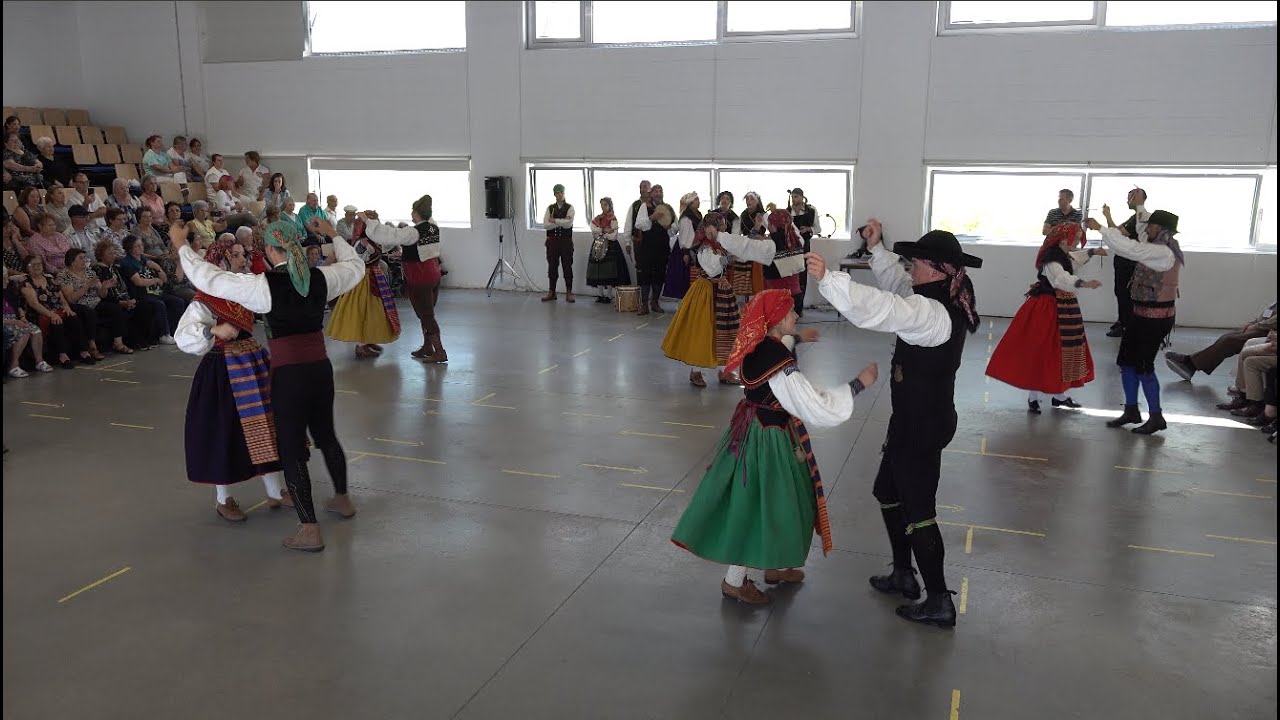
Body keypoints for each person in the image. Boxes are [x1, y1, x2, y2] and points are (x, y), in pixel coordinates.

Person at [811, 223, 982, 628]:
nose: (910, 269)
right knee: (887, 491)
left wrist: (829, 281)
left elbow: (884, 308)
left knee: (919, 511)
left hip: (924, 424)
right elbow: (895, 287)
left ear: (938, 269)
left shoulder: (933, 311)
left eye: (917, 263)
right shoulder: (932, 297)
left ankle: (939, 599)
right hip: (912, 418)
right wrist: (876, 248)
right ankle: (904, 574)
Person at [175, 217, 363, 552]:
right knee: (326, 435)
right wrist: (334, 235)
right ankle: (341, 499)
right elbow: (354, 265)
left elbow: (210, 278)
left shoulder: (262, 287)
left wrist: (182, 247)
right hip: (320, 368)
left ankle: (309, 529)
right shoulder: (321, 278)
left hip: (289, 374)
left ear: (269, 249)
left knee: (290, 449)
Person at [671, 289, 870, 604]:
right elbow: (811, 403)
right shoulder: (779, 363)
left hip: (753, 429)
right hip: (771, 439)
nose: (796, 316)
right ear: (776, 320)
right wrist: (858, 385)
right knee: (765, 505)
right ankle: (734, 581)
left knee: (780, 501)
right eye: (791, 313)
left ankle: (777, 565)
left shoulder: (756, 346)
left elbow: (778, 349)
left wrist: (797, 338)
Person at [174, 235, 292, 521]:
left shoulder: (247, 288)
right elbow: (183, 336)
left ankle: (275, 491)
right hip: (222, 369)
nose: (243, 259)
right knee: (223, 430)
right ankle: (223, 498)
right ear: (223, 261)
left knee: (265, 423)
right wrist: (213, 330)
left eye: (243, 254)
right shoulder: (205, 299)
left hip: (252, 361)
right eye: (237, 255)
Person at [986, 223, 1107, 412]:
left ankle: (1059, 396)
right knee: (1041, 350)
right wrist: (1083, 283)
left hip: (1064, 306)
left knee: (1063, 351)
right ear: (1062, 239)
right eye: (1074, 239)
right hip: (1048, 308)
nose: (1076, 242)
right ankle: (1033, 397)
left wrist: (1092, 252)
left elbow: (1074, 261)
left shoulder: (1063, 254)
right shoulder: (1051, 260)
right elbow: (1060, 278)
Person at [1089, 207, 1184, 435]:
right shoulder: (1158, 246)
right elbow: (1131, 245)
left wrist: (1101, 228)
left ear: (1161, 229)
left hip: (1155, 319)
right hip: (1140, 314)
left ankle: (1156, 416)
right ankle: (1131, 409)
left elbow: (1131, 249)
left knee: (1143, 367)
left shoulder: (1164, 252)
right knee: (1126, 363)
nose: (1147, 228)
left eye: (1151, 225)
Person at [661, 212, 776, 387]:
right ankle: (696, 371)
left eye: (723, 225)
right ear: (709, 228)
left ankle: (725, 371)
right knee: (704, 331)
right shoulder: (704, 248)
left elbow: (741, 245)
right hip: (706, 292)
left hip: (721, 290)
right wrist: (730, 257)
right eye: (720, 225)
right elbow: (712, 267)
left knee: (726, 332)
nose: (724, 228)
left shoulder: (720, 243)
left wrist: (755, 228)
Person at [360, 195, 446, 362]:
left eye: (413, 211)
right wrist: (376, 220)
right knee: (427, 314)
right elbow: (395, 235)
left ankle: (440, 351)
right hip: (434, 274)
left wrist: (369, 221)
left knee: (426, 315)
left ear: (417, 213)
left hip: (420, 277)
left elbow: (392, 236)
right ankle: (428, 346)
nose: (411, 214)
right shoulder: (434, 227)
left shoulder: (413, 232)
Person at [326, 215, 400, 359]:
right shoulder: (362, 243)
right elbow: (364, 257)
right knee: (362, 311)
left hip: (373, 277)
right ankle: (361, 345)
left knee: (373, 312)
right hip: (363, 280)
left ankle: (368, 340)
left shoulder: (371, 241)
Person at [1164, 301, 1276, 382]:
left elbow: (1273, 321)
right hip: (1262, 328)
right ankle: (1190, 363)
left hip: (1269, 331)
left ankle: (1190, 363)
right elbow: (1268, 314)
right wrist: (1253, 322)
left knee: (1229, 340)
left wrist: (1257, 325)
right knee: (1227, 336)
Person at [1105, 188, 1149, 338]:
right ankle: (1122, 321)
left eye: (1131, 196)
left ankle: (1126, 325)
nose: (1128, 199)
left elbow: (1117, 234)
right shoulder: (1134, 217)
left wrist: (1107, 215)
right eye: (1128, 196)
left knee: (1125, 293)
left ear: (1140, 198)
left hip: (1130, 262)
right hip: (1124, 260)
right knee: (1121, 292)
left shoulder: (1141, 217)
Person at [632, 185, 674, 315]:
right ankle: (644, 305)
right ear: (651, 194)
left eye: (660, 191)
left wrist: (669, 226)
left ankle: (655, 302)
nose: (658, 193)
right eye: (656, 191)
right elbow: (639, 224)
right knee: (645, 275)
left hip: (662, 246)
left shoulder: (668, 208)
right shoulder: (645, 206)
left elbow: (675, 226)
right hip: (647, 247)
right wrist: (652, 217)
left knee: (659, 275)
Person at [586, 197, 629, 303]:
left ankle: (609, 295)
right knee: (598, 271)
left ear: (609, 205)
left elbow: (613, 236)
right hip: (598, 245)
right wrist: (605, 230)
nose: (603, 207)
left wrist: (601, 233)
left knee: (609, 271)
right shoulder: (598, 218)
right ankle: (600, 295)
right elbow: (592, 227)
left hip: (610, 247)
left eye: (605, 204)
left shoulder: (613, 219)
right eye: (601, 205)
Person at [662, 191, 701, 303]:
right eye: (696, 200)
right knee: (684, 277)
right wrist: (686, 253)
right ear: (691, 203)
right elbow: (685, 236)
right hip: (685, 250)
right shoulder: (686, 217)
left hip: (694, 248)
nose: (698, 202)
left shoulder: (696, 214)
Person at [541, 183, 576, 303]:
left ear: (564, 193)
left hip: (566, 242)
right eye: (557, 192)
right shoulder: (550, 208)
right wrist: (562, 221)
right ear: (554, 194)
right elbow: (546, 224)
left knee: (567, 266)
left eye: (561, 192)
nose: (559, 194)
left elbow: (568, 224)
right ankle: (552, 291)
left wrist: (554, 220)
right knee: (552, 266)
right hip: (552, 242)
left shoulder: (570, 207)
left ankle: (569, 292)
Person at [788, 188, 817, 316]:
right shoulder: (787, 211)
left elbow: (818, 228)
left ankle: (799, 309)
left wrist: (809, 228)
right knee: (789, 276)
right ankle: (789, 308)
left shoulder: (811, 210)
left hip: (805, 246)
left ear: (802, 197)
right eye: (793, 197)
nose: (795, 199)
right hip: (790, 248)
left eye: (797, 197)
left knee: (802, 277)